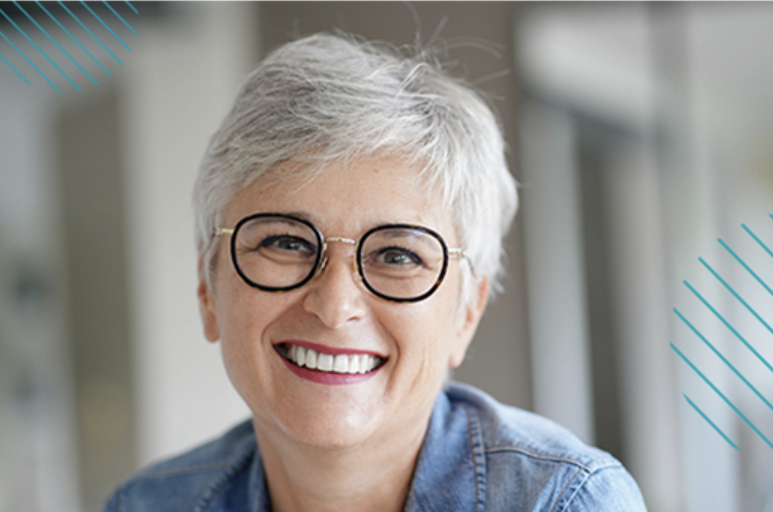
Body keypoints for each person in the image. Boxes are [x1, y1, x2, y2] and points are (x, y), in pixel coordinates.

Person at [103, 32, 647, 512]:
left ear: (467, 312)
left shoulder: (564, 503)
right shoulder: (146, 504)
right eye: (286, 242)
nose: (336, 305)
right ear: (207, 288)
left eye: (398, 255)